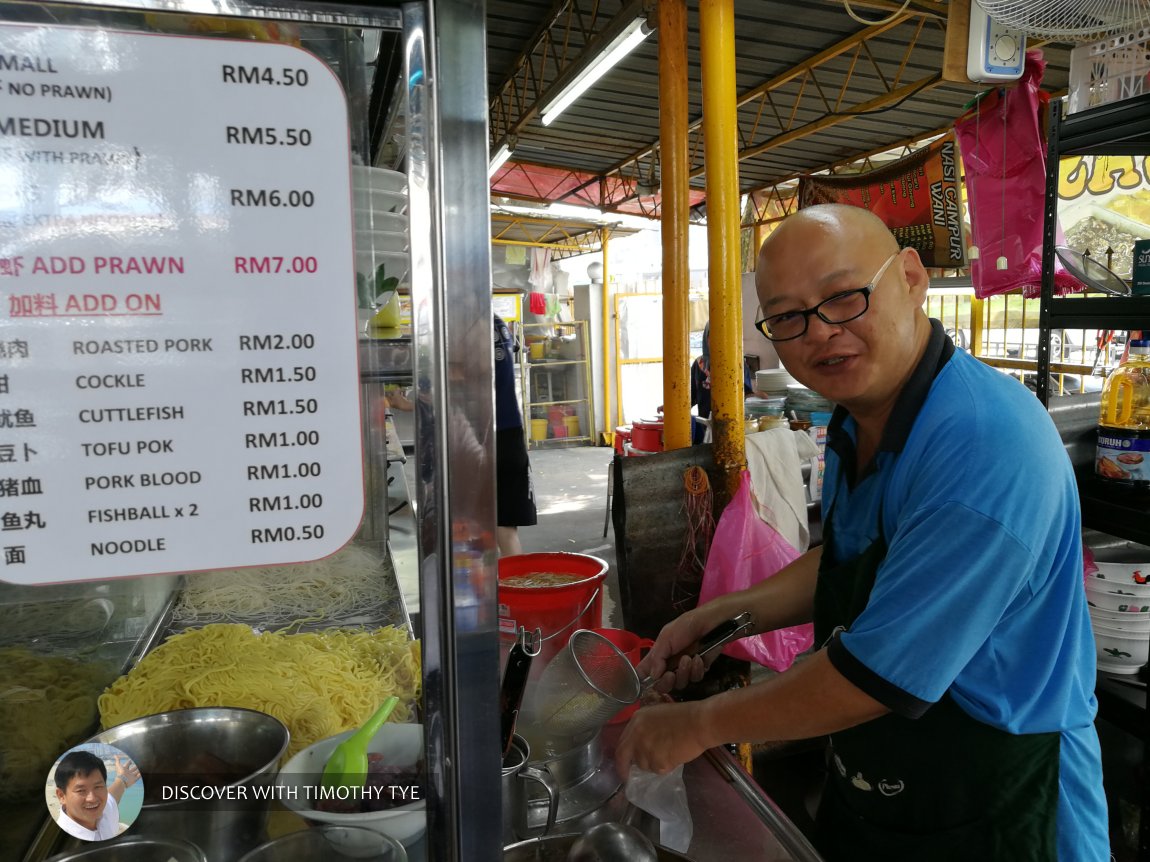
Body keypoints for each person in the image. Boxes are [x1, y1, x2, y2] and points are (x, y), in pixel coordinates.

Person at [615, 204, 1109, 861]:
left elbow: (874, 679)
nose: (819, 333)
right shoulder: (859, 421)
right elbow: (855, 558)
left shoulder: (984, 444)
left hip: (1000, 804)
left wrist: (696, 726)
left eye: (844, 297)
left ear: (910, 278)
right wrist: (724, 617)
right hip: (889, 788)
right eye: (789, 316)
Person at [494, 315, 537, 556]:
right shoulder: (498, 324)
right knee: (505, 527)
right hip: (511, 434)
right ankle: (516, 589)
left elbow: (460, 385)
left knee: (479, 526)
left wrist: (416, 402)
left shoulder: (465, 327)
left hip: (483, 437)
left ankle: (504, 589)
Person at [689, 322, 754, 444]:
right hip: (706, 428)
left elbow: (747, 396)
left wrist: (756, 397)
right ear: (706, 339)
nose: (718, 340)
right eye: (712, 336)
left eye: (723, 335)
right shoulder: (698, 365)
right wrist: (673, 406)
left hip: (733, 429)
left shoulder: (738, 363)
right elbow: (691, 397)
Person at [54, 749, 140, 841]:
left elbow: (114, 793)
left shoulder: (105, 809)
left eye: (98, 787)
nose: (92, 798)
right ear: (61, 796)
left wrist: (123, 778)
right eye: (81, 790)